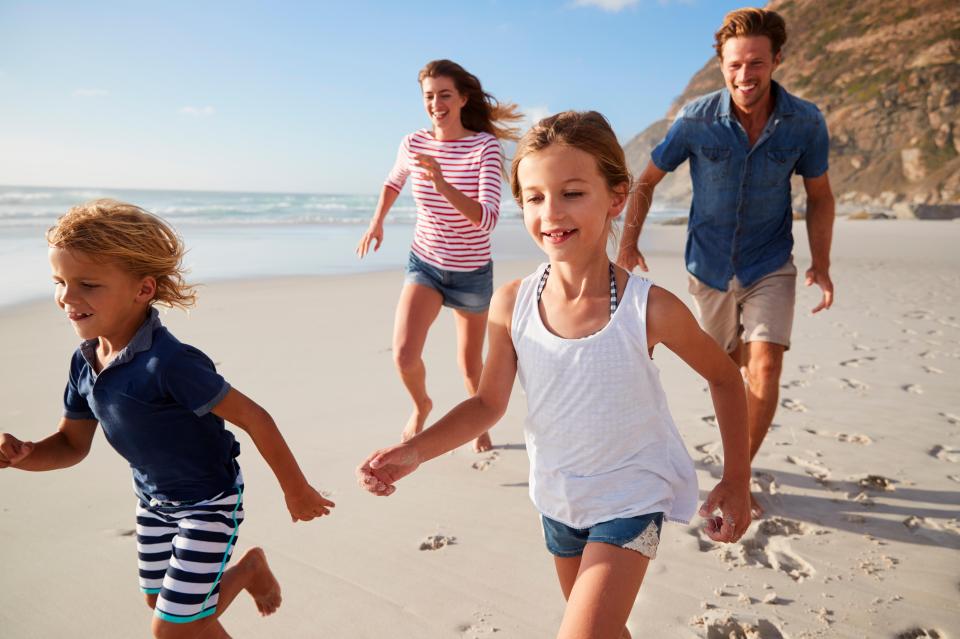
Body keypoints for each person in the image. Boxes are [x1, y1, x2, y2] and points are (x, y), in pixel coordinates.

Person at [358, 111, 751, 639]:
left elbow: (726, 379)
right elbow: (487, 404)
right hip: (558, 496)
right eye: (535, 198)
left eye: (571, 193)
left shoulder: (649, 309)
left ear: (615, 197)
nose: (551, 213)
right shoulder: (512, 302)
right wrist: (413, 452)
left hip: (632, 497)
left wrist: (737, 479)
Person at [0, 200, 335, 639]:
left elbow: (256, 418)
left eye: (88, 284)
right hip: (153, 502)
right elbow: (70, 445)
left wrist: (298, 490)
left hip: (208, 502)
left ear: (142, 290)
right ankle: (250, 569)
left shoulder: (170, 363)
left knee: (171, 629)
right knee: (162, 603)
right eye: (59, 281)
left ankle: (242, 572)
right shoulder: (84, 363)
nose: (67, 296)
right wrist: (23, 455)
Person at [616, 7, 836, 516]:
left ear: (776, 60)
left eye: (756, 63)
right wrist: (628, 245)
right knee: (724, 370)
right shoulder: (695, 119)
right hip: (709, 268)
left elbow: (820, 195)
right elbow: (645, 181)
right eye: (735, 65)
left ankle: (739, 476)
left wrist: (820, 262)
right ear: (722, 63)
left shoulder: (804, 122)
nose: (745, 76)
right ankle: (737, 457)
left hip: (769, 264)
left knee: (765, 366)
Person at [356, 59, 521, 453]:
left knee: (470, 368)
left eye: (444, 95)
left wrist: (442, 183)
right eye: (429, 96)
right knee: (404, 354)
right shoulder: (413, 142)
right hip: (426, 264)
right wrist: (376, 221)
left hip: (471, 274)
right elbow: (393, 181)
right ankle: (421, 405)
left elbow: (487, 220)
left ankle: (477, 422)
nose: (436, 103)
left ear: (463, 99)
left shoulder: (484, 146)